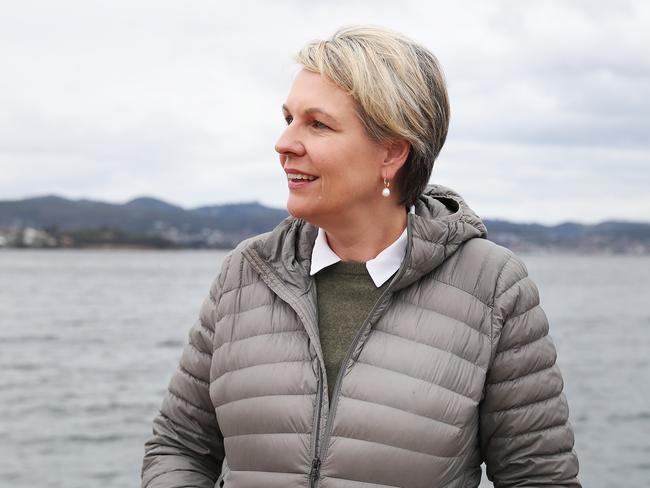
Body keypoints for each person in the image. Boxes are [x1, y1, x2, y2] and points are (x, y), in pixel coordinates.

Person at [142, 25, 581, 488]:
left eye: (317, 124)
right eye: (288, 118)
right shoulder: (246, 273)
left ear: (391, 152)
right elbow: (180, 445)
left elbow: (539, 478)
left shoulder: (492, 286)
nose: (284, 142)